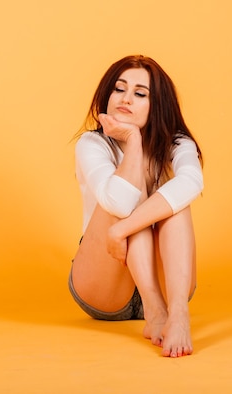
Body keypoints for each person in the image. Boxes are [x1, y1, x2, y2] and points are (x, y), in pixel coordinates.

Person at [69, 55, 204, 358]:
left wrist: (122, 231)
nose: (126, 99)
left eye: (140, 93)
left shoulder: (178, 144)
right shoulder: (91, 144)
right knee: (127, 196)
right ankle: (154, 311)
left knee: (177, 198)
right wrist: (133, 139)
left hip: (169, 283)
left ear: (157, 106)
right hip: (104, 284)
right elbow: (118, 201)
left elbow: (193, 182)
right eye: (120, 89)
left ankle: (178, 313)